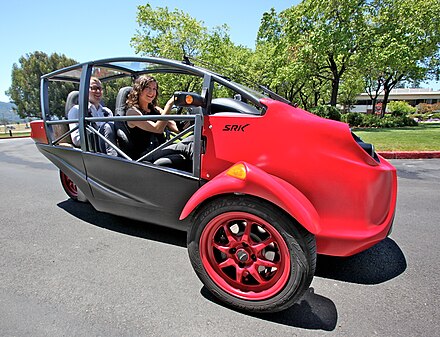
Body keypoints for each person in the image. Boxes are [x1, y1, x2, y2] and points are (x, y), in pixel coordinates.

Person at [124, 75, 193, 169]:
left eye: (154, 89)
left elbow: (177, 129)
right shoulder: (132, 112)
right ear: (139, 89)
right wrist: (169, 104)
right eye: (147, 88)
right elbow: (157, 129)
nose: (151, 92)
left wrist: (191, 122)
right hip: (145, 155)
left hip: (161, 148)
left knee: (193, 139)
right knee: (188, 146)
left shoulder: (156, 109)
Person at [68, 77, 117, 156]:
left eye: (100, 89)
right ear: (85, 91)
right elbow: (77, 140)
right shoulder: (77, 110)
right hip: (92, 154)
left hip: (109, 151)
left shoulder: (107, 112)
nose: (98, 91)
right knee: (107, 127)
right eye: (94, 88)